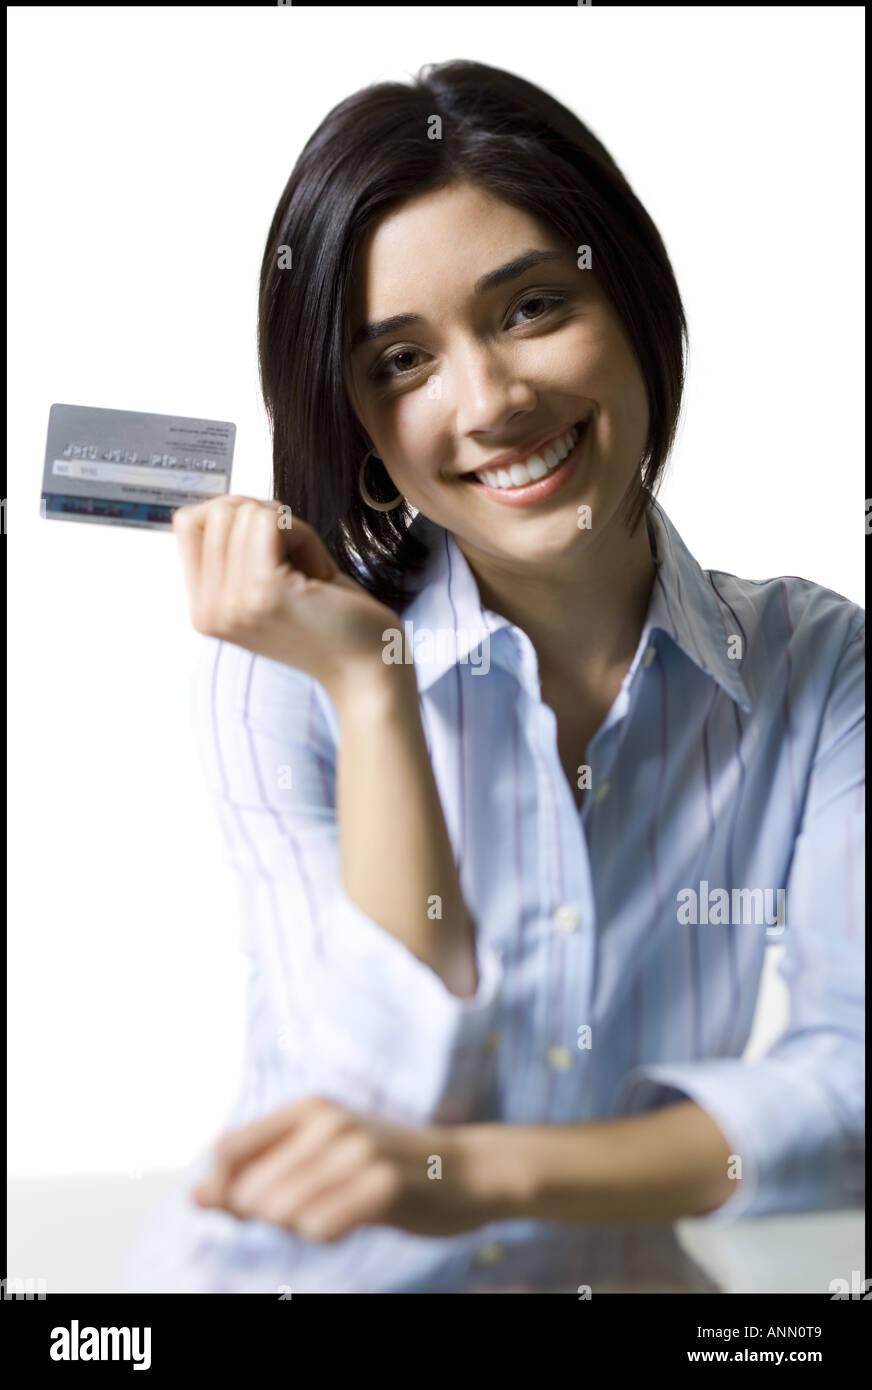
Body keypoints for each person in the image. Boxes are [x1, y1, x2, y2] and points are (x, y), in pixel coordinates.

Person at [116, 60, 863, 1294]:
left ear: (632, 303)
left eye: (527, 309)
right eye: (401, 363)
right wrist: (373, 696)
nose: (491, 403)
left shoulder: (817, 669)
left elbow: (849, 1097)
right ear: (359, 430)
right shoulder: (280, 679)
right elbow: (370, 1105)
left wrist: (493, 1174)